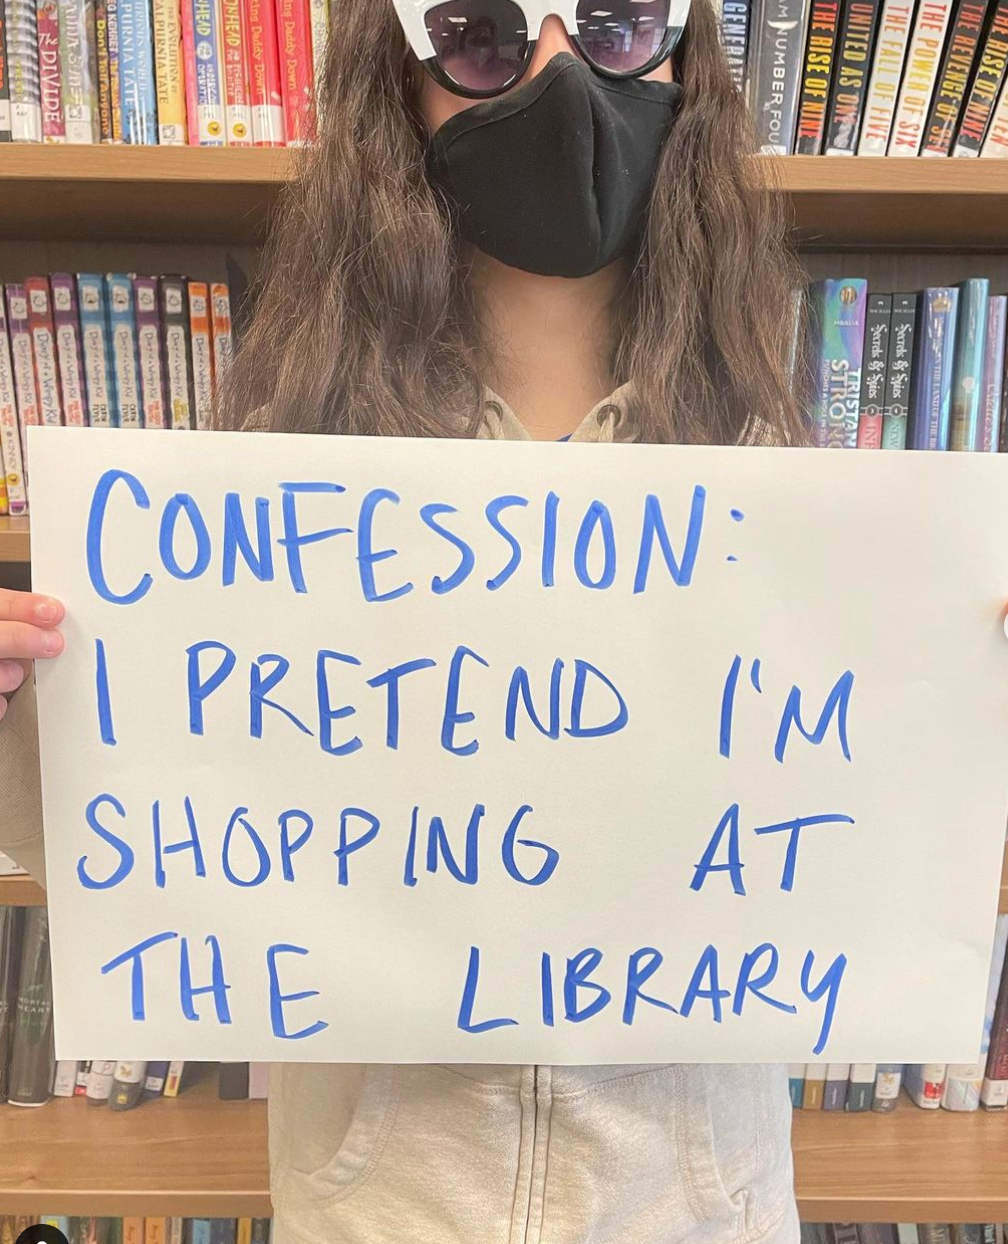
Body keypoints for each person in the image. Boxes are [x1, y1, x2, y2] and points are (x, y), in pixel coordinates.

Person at [0, 0, 811, 1239]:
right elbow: (134, 845)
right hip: (383, 1206)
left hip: (698, 1205)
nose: (554, 81)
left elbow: (864, 830)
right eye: (482, 41)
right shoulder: (276, 482)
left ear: (685, 62)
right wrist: (16, 701)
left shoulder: (781, 482)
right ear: (401, 80)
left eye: (614, 32)